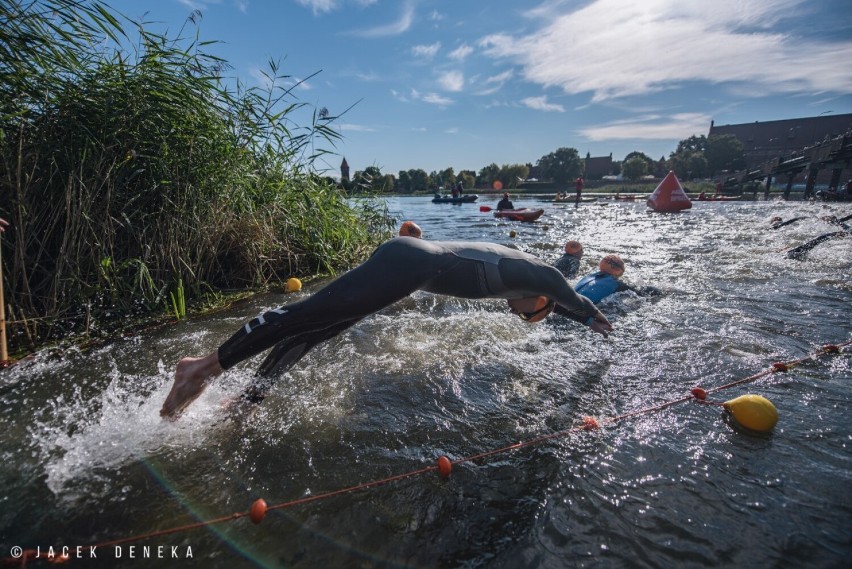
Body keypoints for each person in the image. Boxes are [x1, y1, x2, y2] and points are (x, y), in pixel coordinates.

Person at [160, 238, 614, 419]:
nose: (517, 315)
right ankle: (201, 367)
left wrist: (582, 316)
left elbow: (555, 296)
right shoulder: (540, 278)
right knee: (309, 313)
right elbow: (565, 290)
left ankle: (247, 401)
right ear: (541, 304)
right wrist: (592, 317)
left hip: (409, 268)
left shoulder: (522, 284)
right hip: (412, 261)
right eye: (528, 316)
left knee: (320, 328)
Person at [556, 254, 659, 308]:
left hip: (563, 303)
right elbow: (641, 293)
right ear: (618, 271)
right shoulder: (616, 284)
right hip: (582, 310)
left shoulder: (589, 276)